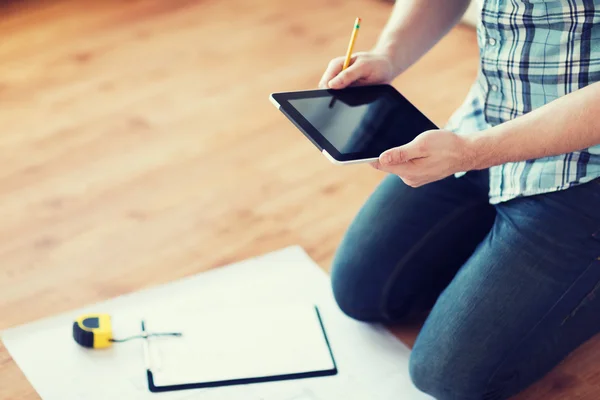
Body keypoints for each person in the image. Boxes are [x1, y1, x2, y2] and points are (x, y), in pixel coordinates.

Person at [319, 1, 600, 399]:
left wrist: (471, 153)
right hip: (486, 121)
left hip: (587, 169)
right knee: (361, 291)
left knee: (447, 376)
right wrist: (387, 54)